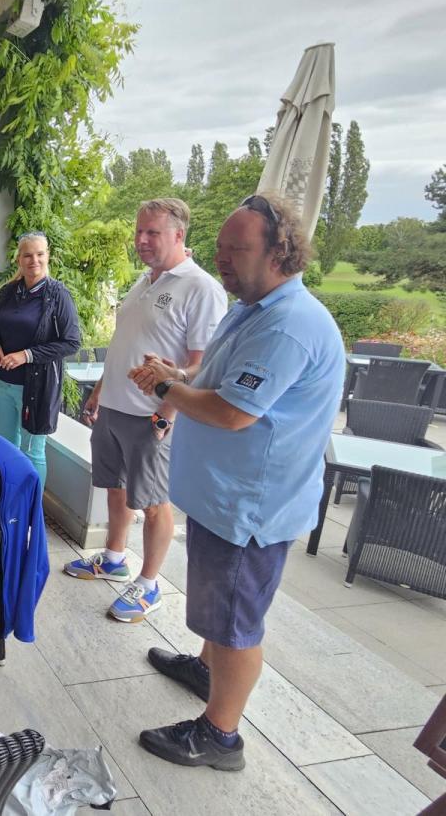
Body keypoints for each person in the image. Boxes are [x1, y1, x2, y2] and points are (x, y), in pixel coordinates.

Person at [127, 194, 345, 772]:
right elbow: (219, 375)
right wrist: (179, 373)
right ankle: (207, 669)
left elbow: (232, 412)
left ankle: (220, 735)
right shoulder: (254, 308)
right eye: (220, 247)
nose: (223, 258)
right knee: (221, 612)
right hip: (224, 497)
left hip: (251, 506)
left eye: (237, 249)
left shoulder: (288, 325)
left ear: (279, 251)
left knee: (236, 625)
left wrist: (164, 389)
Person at [67, 199, 227, 624]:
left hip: (152, 416)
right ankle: (114, 558)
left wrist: (167, 411)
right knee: (115, 489)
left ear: (179, 234)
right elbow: (125, 343)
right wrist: (100, 391)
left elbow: (204, 365)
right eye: (139, 231)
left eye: (152, 232)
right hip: (115, 407)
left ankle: (150, 584)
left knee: (155, 502)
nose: (141, 240)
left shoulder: (200, 288)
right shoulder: (144, 281)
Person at [0, 231, 81, 485]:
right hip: (3, 384)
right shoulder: (7, 292)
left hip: (37, 388)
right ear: (19, 259)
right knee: (6, 447)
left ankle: (31, 506)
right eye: (27, 255)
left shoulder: (58, 294)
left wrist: (27, 355)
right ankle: (8, 499)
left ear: (48, 256)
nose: (34, 260)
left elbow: (72, 342)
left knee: (33, 452)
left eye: (39, 254)